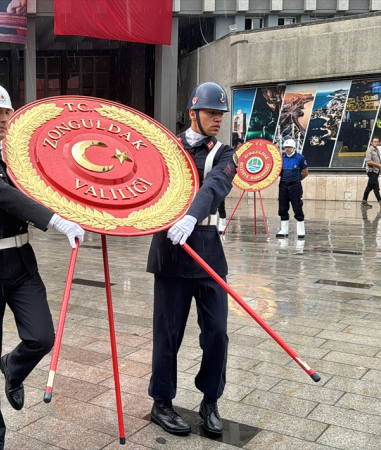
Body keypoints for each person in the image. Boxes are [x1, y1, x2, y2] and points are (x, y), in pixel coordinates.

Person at [0, 83, 84, 450]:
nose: (4, 118)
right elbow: (2, 194)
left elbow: (52, 182)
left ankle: (16, 367)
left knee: (42, 337)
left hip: (22, 263)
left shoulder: (19, 157)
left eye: (7, 112)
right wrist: (54, 221)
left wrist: (84, 208)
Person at [147, 82, 236, 438]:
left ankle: (210, 400)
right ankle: (162, 402)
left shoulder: (226, 153)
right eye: (212, 112)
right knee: (167, 334)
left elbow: (216, 185)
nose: (218, 119)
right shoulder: (167, 148)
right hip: (170, 252)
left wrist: (191, 215)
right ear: (193, 112)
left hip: (209, 251)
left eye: (221, 114)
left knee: (216, 333)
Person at [276, 139, 308, 239]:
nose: (287, 149)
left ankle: (301, 231)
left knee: (297, 207)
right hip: (283, 185)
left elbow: (305, 172)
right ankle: (284, 230)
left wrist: (297, 180)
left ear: (293, 148)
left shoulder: (300, 158)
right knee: (282, 207)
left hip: (295, 186)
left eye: (289, 147)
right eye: (286, 147)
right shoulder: (281, 158)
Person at [362, 138, 381, 209]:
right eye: (375, 142)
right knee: (376, 186)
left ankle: (364, 202)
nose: (376, 143)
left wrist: (379, 165)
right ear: (371, 143)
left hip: (376, 171)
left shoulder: (376, 150)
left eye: (377, 142)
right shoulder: (369, 151)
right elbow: (368, 162)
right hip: (371, 171)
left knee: (369, 186)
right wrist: (378, 165)